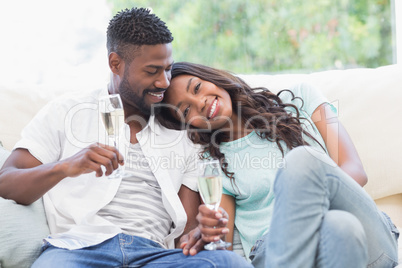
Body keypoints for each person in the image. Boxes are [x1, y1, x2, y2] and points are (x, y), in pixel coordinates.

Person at [0, 8, 252, 268]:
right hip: (78, 250)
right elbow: (6, 182)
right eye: (152, 71)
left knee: (228, 262)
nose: (164, 82)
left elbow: (186, 235)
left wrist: (199, 235)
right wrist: (65, 167)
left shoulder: (180, 130)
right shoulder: (65, 112)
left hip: (156, 256)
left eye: (167, 69)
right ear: (115, 64)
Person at [159, 61, 400, 267]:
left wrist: (305, 217)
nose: (199, 102)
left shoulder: (301, 97)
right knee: (341, 227)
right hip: (280, 248)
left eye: (198, 88)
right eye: (187, 109)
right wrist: (210, 231)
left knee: (304, 161)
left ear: (213, 78)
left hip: (371, 244)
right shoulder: (214, 164)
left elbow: (355, 172)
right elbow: (226, 244)